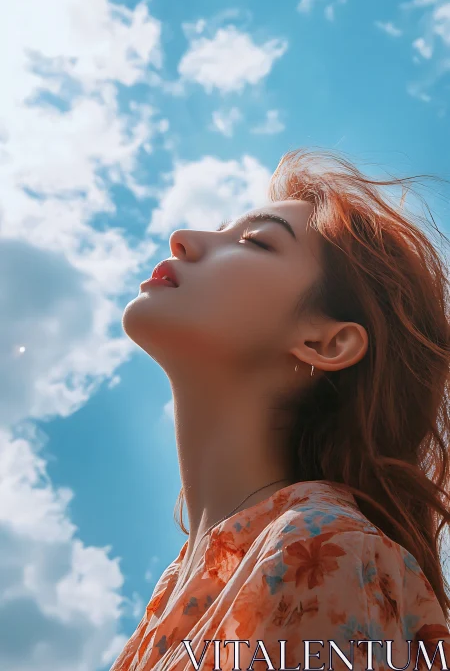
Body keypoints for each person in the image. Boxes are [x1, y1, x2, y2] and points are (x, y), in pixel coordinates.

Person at [112, 149, 450, 671]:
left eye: (255, 241)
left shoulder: (325, 546)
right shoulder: (175, 590)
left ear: (326, 342)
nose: (183, 238)